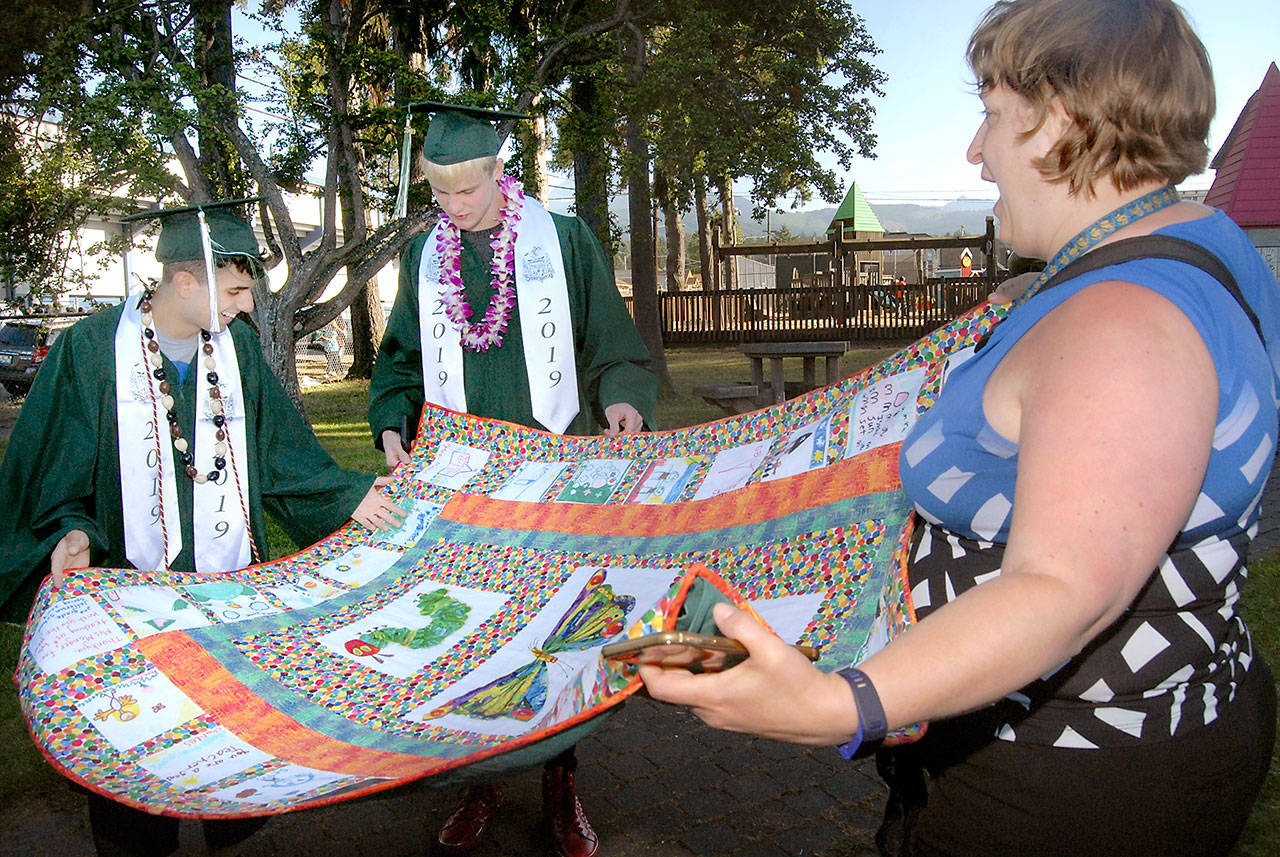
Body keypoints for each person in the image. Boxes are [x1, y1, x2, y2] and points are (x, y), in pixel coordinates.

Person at [639, 2, 1278, 856]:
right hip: (1141, 732)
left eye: (990, 115)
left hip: (1069, 782)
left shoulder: (1120, 328)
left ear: (1057, 118)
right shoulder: (1190, 239)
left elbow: (1062, 589)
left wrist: (841, 705)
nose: (977, 154)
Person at [0, 200, 406, 856]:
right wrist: (68, 533)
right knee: (137, 776)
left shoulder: (238, 347)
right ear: (185, 281)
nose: (249, 306)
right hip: (131, 607)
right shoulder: (88, 350)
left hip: (225, 602)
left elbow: (281, 452)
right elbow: (56, 472)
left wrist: (349, 498)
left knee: (229, 763)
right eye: (239, 290)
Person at [369, 103, 658, 857]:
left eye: (465, 192)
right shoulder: (423, 258)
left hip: (553, 476)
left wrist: (622, 398)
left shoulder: (562, 241)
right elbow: (400, 357)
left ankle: (560, 782)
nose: (452, 209)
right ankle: (481, 776)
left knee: (553, 634)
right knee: (472, 633)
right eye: (439, 196)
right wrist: (392, 424)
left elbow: (608, 342)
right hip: (462, 485)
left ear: (501, 171)